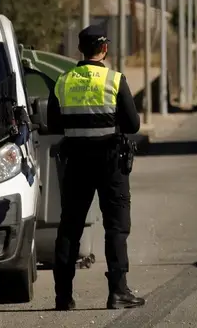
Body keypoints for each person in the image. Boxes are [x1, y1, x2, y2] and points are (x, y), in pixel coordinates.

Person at [48, 25, 145, 310]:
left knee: (70, 227)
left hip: (76, 161)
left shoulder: (63, 81)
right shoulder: (114, 80)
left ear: (80, 50)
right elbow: (133, 125)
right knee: (116, 227)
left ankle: (63, 296)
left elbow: (54, 125)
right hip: (110, 161)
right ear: (104, 49)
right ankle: (118, 291)